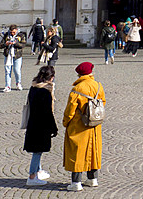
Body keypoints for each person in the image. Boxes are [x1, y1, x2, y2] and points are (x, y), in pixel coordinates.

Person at [63, 62, 105, 191]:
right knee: (94, 151)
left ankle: (76, 182)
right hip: (94, 124)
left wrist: (66, 122)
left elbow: (70, 110)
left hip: (79, 125)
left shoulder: (78, 88)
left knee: (77, 152)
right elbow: (103, 102)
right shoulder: (98, 85)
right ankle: (92, 179)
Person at [23, 65, 57, 187]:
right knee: (37, 151)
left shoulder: (33, 88)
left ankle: (38, 171)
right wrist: (54, 128)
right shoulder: (45, 92)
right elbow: (48, 112)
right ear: (51, 78)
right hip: (41, 125)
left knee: (37, 151)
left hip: (33, 123)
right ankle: (32, 176)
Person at [1, 25, 25, 92]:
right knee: (7, 71)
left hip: (17, 55)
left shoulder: (21, 35)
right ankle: (7, 86)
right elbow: (0, 45)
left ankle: (18, 83)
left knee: (17, 70)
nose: (12, 34)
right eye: (11, 32)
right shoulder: (6, 35)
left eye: (14, 32)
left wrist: (15, 43)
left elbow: (23, 45)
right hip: (8, 55)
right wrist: (6, 44)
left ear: (17, 30)